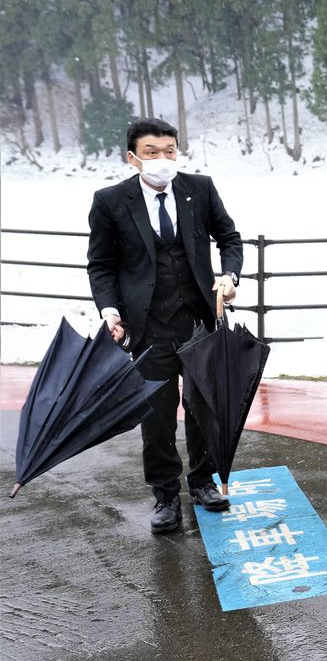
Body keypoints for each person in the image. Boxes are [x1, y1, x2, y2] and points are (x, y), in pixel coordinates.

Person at [86, 117, 243, 533]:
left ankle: (203, 482)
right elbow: (100, 264)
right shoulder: (110, 201)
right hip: (148, 326)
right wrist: (109, 310)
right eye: (151, 152)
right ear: (132, 157)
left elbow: (229, 237)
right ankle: (165, 495)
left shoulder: (199, 189)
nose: (162, 159)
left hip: (199, 321)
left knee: (203, 408)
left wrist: (230, 276)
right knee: (156, 417)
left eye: (169, 151)